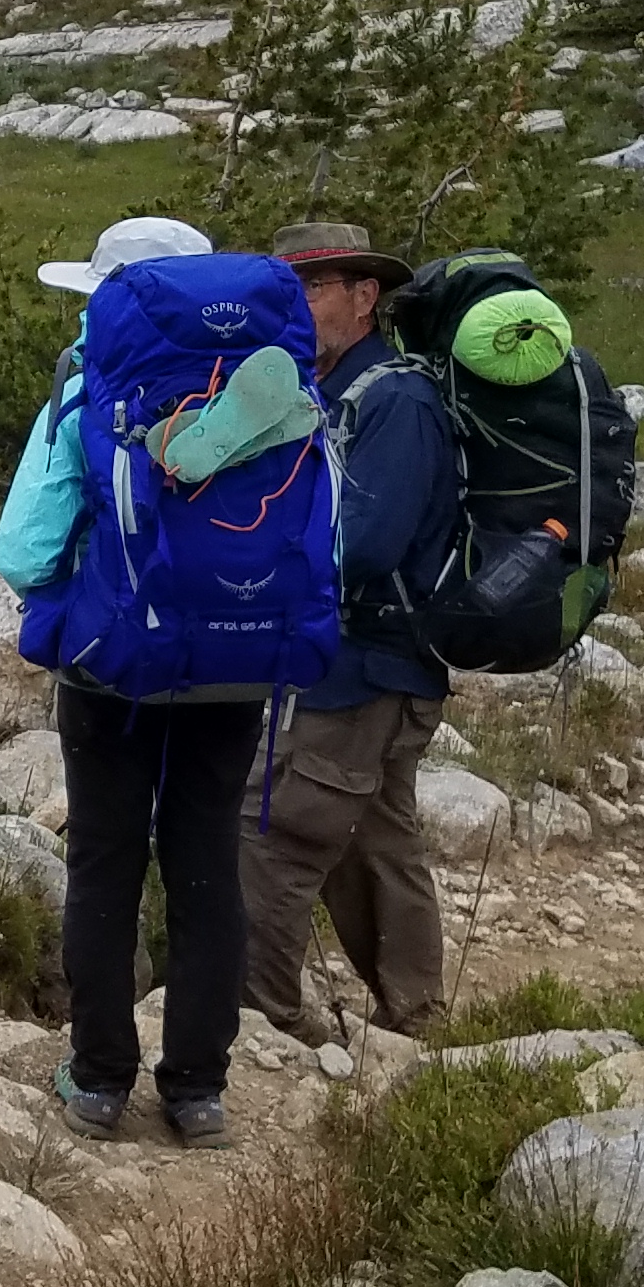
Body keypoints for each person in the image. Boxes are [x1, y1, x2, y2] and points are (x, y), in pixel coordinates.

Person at [0, 213, 273, 1151]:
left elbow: (23, 553)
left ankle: (101, 1079)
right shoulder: (272, 389)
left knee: (105, 858)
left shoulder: (88, 390)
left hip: (113, 668)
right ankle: (199, 1090)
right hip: (235, 664)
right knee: (206, 865)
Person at [239, 220, 462, 1038]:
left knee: (270, 835)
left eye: (313, 287)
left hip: (360, 668)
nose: (294, 308)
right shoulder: (328, 393)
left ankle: (260, 1023)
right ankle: (419, 1018)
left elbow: (361, 544)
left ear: (365, 297)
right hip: (362, 666)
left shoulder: (394, 400)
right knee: (375, 842)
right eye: (284, 290)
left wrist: (252, 549)